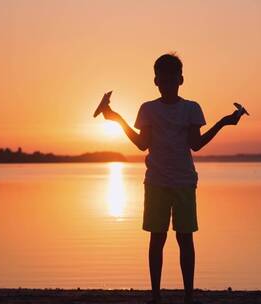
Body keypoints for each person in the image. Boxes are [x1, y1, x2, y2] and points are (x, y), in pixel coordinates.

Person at [101, 53, 242, 304]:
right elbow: (142, 144)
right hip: (156, 182)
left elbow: (195, 145)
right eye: (163, 79)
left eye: (172, 78)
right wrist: (118, 120)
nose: (167, 83)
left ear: (181, 79)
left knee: (185, 238)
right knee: (157, 239)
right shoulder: (148, 109)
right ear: (156, 80)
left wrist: (223, 122)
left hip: (184, 182)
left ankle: (188, 296)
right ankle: (156, 296)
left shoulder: (191, 108)